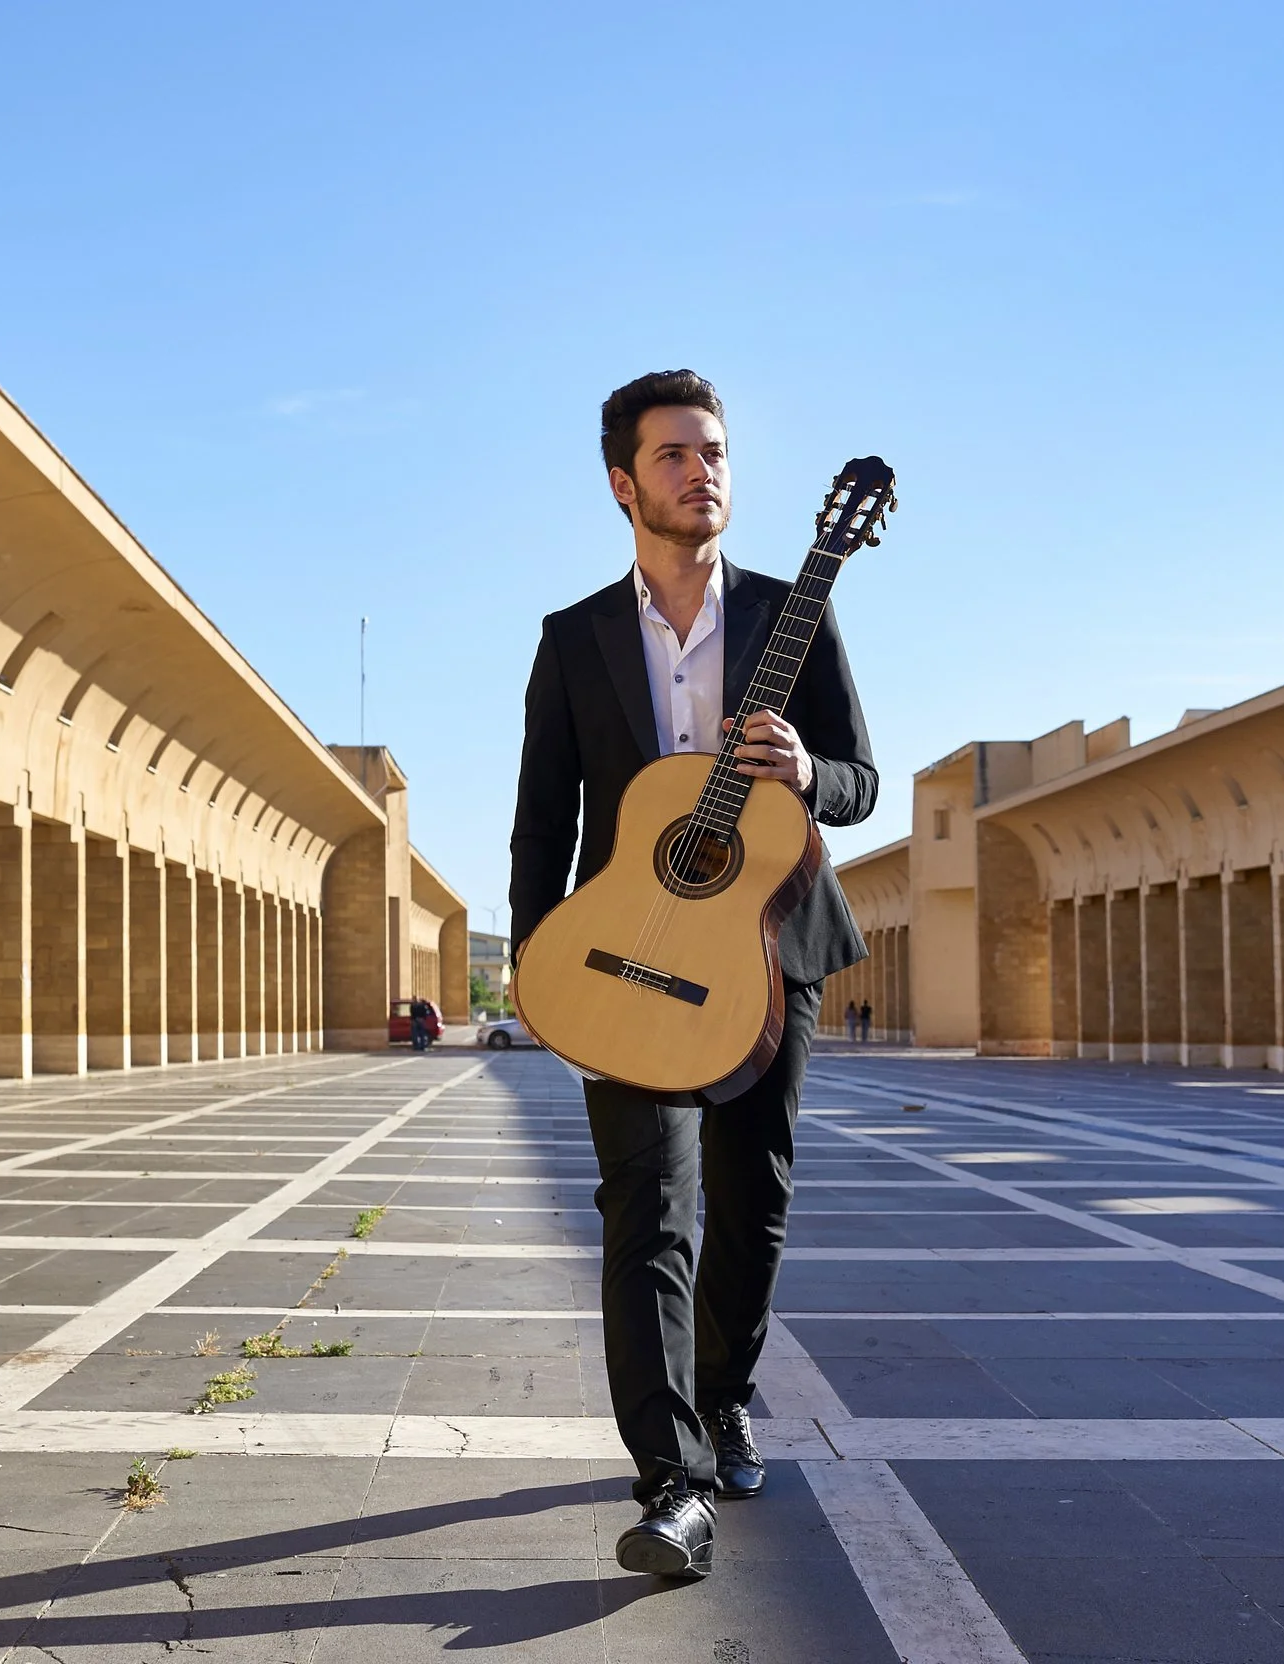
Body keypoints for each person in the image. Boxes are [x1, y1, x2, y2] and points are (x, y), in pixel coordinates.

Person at [510, 370, 875, 1583]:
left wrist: (807, 770)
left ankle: (723, 1393)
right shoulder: (574, 640)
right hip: (626, 957)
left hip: (769, 948)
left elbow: (862, 782)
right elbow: (540, 821)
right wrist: (538, 959)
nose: (699, 471)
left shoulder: (792, 615)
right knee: (645, 1206)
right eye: (672, 455)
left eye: (712, 451)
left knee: (750, 1195)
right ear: (624, 482)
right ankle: (667, 1481)